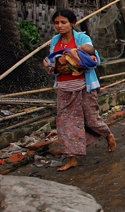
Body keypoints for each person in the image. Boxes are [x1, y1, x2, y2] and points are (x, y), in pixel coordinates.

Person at [45, 9, 116, 172]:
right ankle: (71, 158)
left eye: (63, 22)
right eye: (56, 23)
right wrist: (56, 65)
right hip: (64, 87)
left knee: (91, 118)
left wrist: (72, 60)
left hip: (84, 86)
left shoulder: (82, 39)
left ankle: (107, 134)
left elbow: (93, 60)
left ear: (72, 23)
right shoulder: (55, 40)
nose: (60, 26)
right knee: (65, 123)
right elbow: (51, 62)